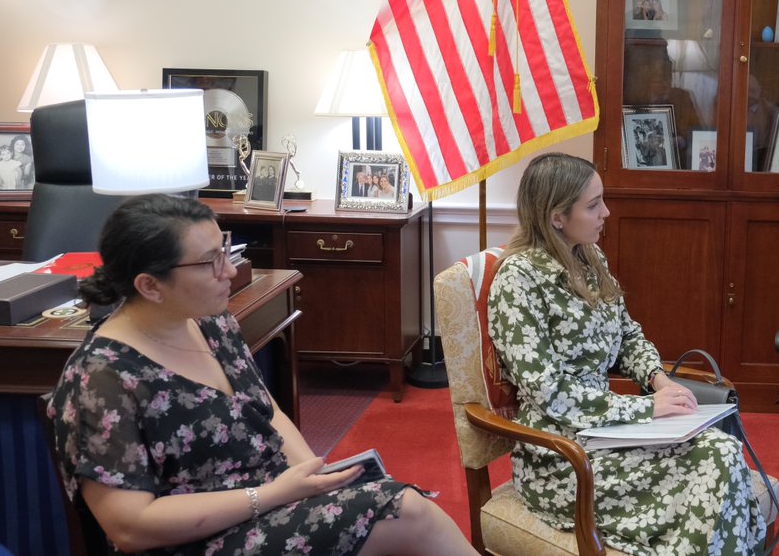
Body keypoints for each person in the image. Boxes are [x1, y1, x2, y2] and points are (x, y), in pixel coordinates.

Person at [47, 194, 478, 556]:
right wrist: (272, 495)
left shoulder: (210, 322)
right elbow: (130, 527)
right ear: (149, 286)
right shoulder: (99, 377)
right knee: (405, 512)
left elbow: (265, 411)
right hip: (195, 539)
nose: (230, 272)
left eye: (227, 250)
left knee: (392, 509)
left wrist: (313, 475)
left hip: (268, 504)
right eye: (210, 262)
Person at [487, 153, 768, 555]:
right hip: (563, 458)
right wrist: (646, 409)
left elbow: (627, 336)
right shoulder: (518, 281)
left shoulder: (588, 257)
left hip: (608, 434)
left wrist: (659, 379)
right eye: (593, 204)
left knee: (722, 449)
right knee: (719, 462)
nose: (606, 211)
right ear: (556, 217)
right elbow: (549, 392)